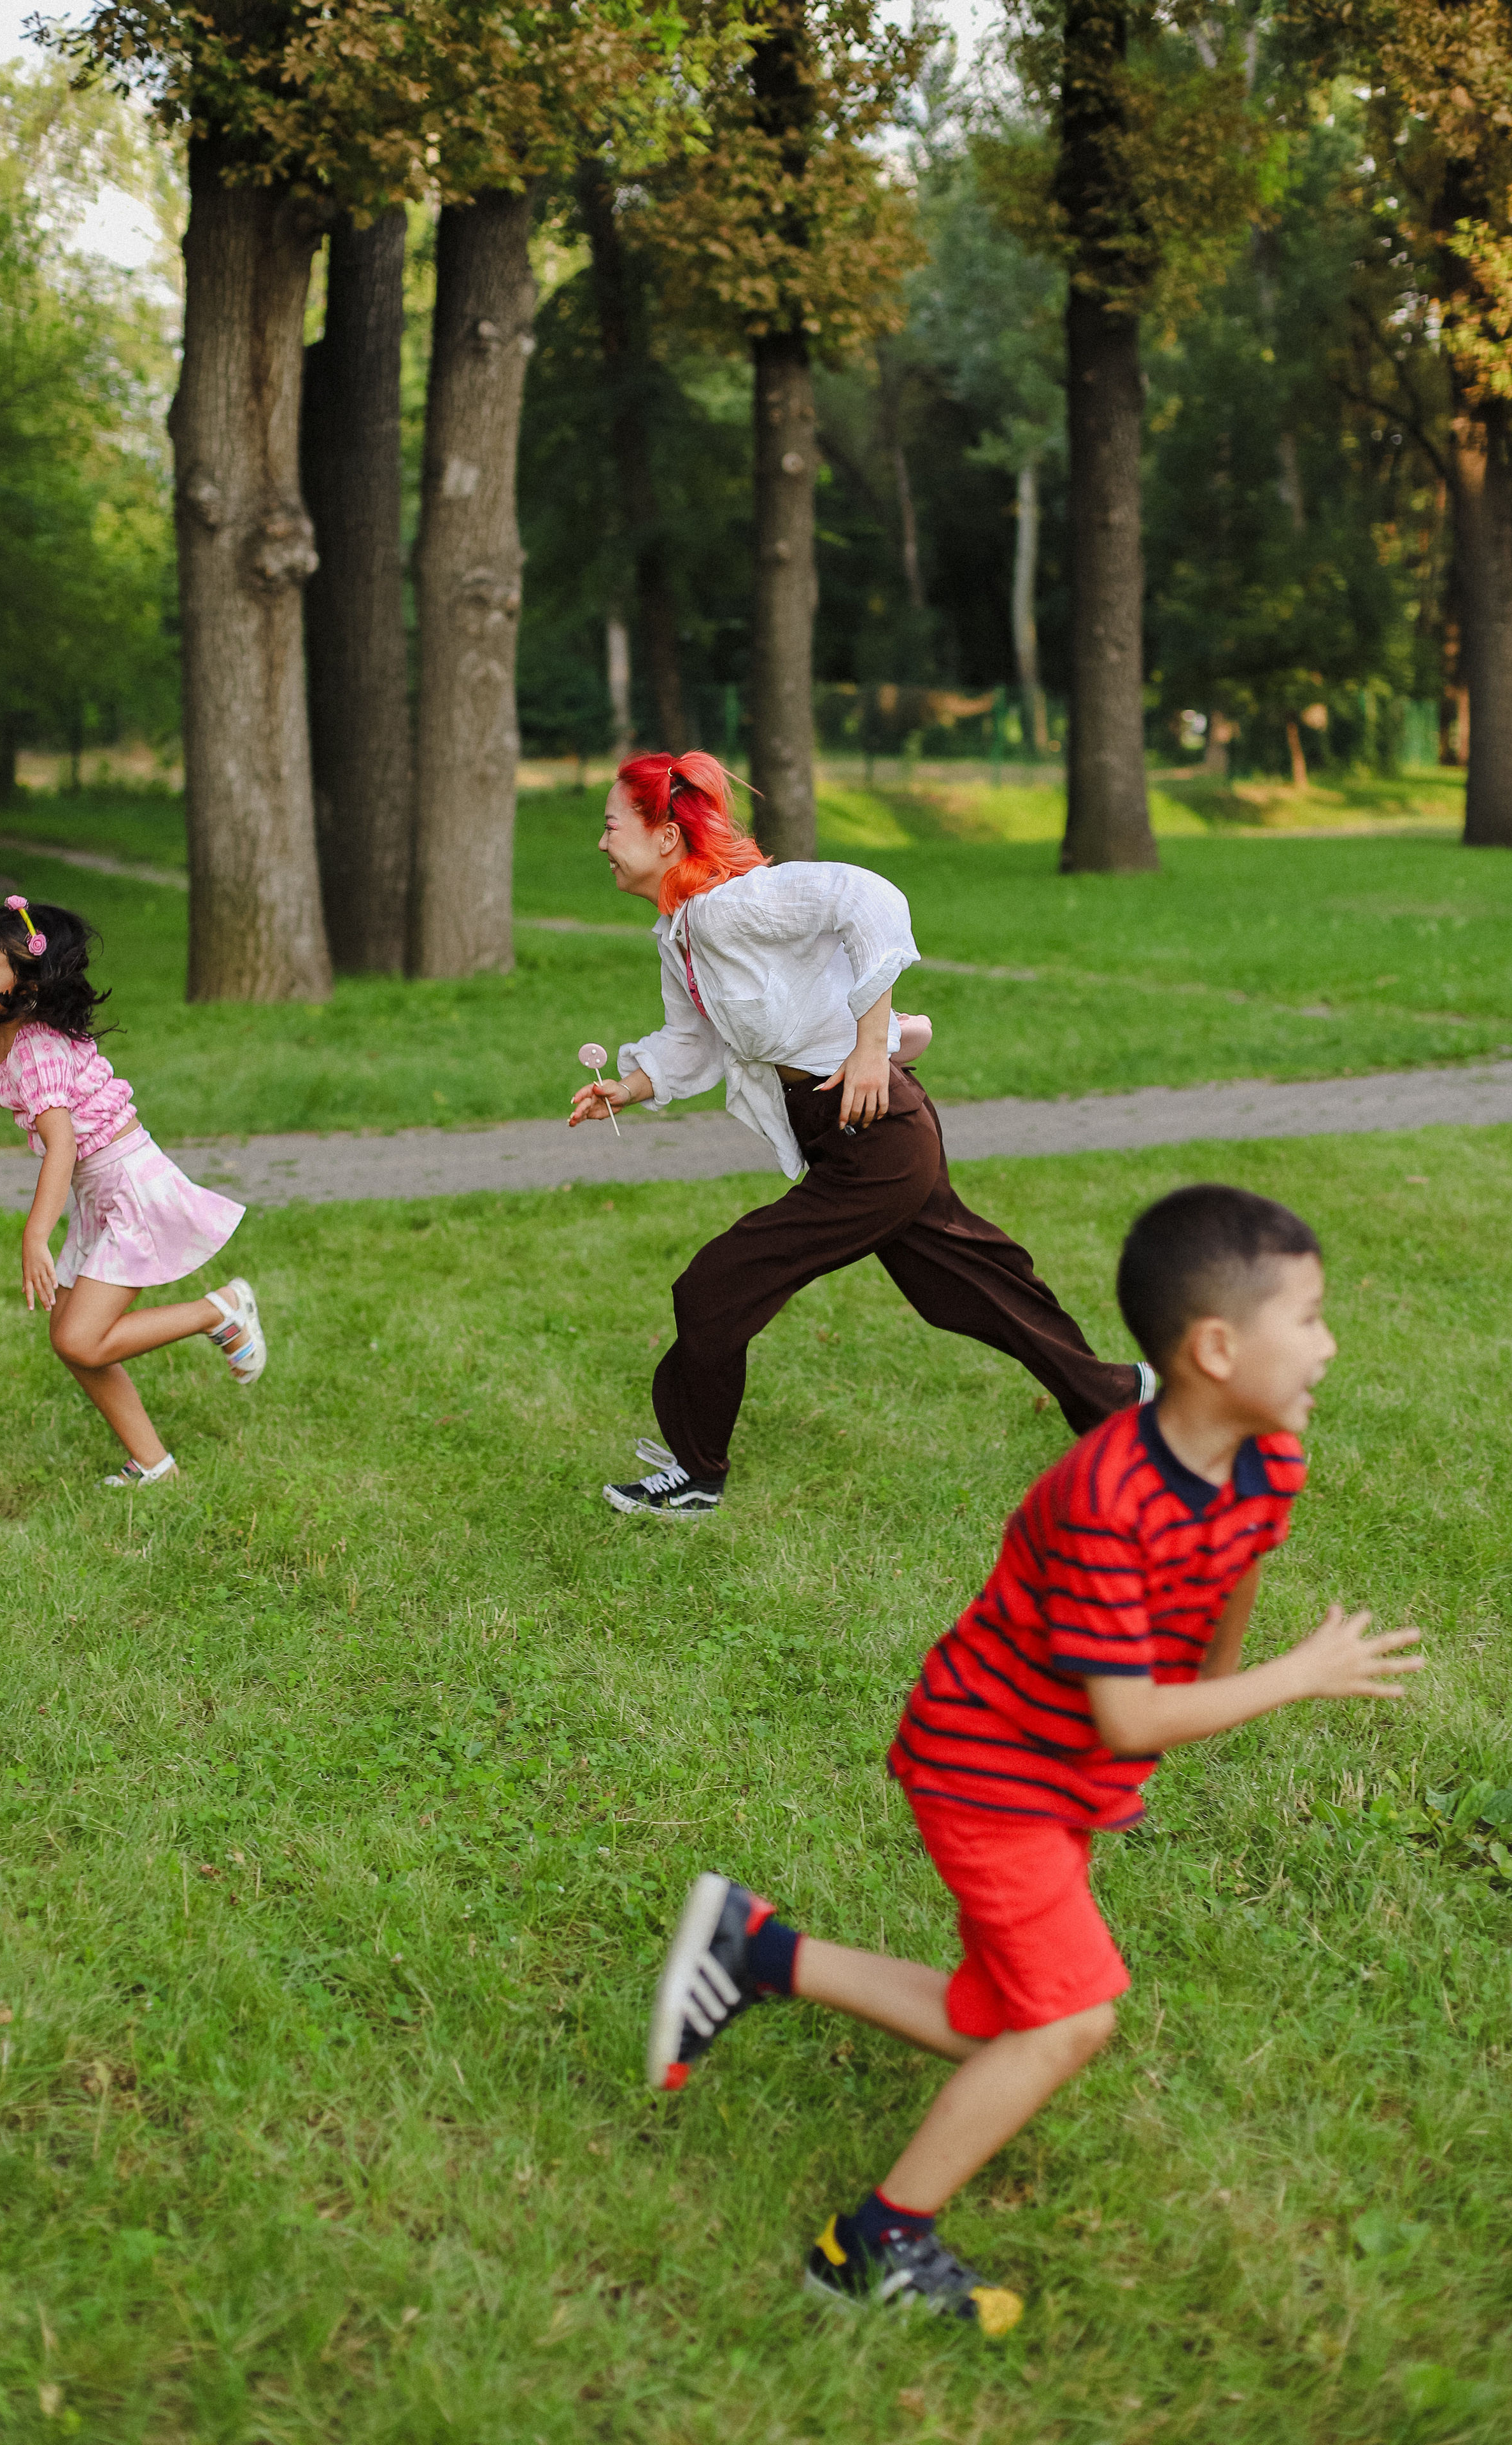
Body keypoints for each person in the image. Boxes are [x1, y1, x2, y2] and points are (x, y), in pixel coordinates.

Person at [644, 1184, 1422, 2328]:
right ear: (1216, 1347)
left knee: (1009, 2006)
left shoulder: (1269, 1455)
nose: (1330, 1343)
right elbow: (1127, 1718)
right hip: (988, 1767)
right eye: (1307, 1317)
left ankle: (756, 1952)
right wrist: (1291, 1680)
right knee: (1068, 2018)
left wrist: (1220, 1675)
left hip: (1068, 1778)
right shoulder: (1109, 1496)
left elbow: (1239, 1566)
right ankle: (867, 2249)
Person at [570, 751, 1152, 1516]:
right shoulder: (683, 932)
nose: (603, 843)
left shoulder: (736, 905)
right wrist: (632, 1085)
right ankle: (1121, 1396)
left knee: (713, 1290)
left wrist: (871, 1044)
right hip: (854, 1130)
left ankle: (696, 1474)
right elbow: (698, 1042)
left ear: (667, 838)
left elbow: (866, 896)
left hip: (870, 1134)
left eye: (613, 826)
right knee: (966, 1284)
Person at [0, 895, 266, 1487]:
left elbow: (63, 1145)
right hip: (98, 1190)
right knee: (73, 1343)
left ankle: (218, 1310)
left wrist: (35, 1234)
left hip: (128, 1181)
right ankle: (155, 1465)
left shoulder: (39, 1048)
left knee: (79, 1337)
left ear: (29, 984)